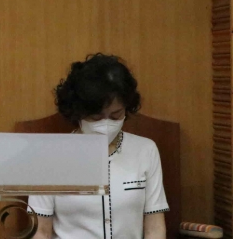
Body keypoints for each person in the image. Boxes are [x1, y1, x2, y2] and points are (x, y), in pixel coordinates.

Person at [30, 54, 168, 239]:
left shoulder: (146, 150)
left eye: (115, 115)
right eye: (96, 117)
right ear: (78, 112)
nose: (106, 124)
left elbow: (155, 227)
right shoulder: (48, 157)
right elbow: (40, 231)